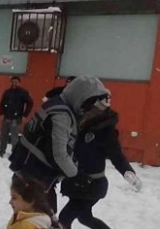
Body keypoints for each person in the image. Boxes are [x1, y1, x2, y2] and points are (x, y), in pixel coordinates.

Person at [46, 96, 141, 229]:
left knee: (65, 217)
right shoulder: (80, 123)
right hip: (78, 182)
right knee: (84, 217)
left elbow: (116, 155)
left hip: (92, 185)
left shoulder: (105, 131)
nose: (85, 111)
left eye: (89, 108)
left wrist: (128, 171)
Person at [10, 75, 111, 213]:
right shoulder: (61, 115)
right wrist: (76, 175)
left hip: (30, 174)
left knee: (36, 219)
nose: (86, 112)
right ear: (80, 98)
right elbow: (58, 154)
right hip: (33, 178)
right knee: (36, 221)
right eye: (87, 107)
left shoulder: (57, 104)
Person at [0, 76, 33, 158]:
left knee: (14, 138)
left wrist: (25, 115)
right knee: (3, 136)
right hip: (6, 117)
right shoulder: (7, 92)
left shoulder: (23, 92)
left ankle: (14, 154)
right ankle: (1, 152)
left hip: (16, 118)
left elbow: (30, 103)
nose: (14, 84)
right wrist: (2, 114)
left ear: (19, 83)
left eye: (16, 82)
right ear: (11, 82)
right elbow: (2, 103)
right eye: (13, 82)